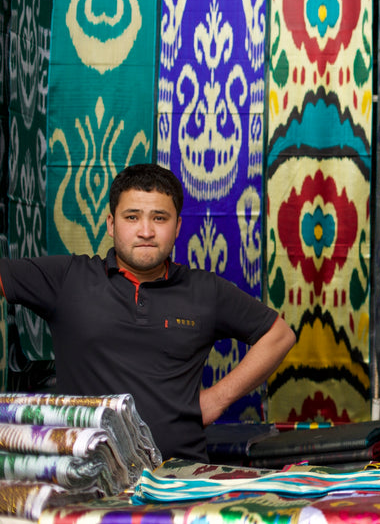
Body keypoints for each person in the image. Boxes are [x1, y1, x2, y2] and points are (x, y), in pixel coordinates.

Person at [0, 163, 296, 461]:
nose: (145, 231)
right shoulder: (67, 279)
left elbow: (279, 335)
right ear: (111, 224)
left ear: (178, 226)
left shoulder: (206, 290)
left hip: (180, 477)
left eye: (159, 218)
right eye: (132, 217)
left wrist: (217, 400)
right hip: (85, 477)